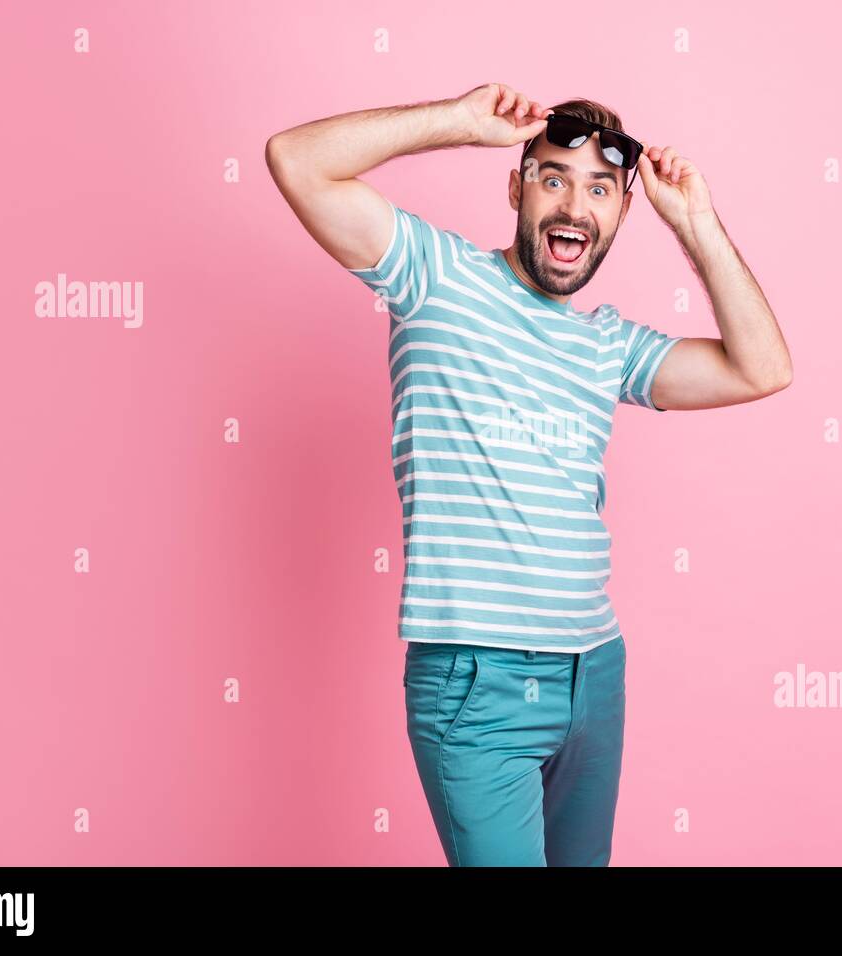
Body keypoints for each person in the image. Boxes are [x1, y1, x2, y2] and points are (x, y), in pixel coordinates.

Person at [265, 83, 792, 866]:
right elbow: (295, 161)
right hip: (475, 683)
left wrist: (698, 225)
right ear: (516, 188)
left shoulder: (608, 345)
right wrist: (458, 122)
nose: (574, 206)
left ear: (619, 214)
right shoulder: (433, 278)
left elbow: (763, 368)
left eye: (600, 189)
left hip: (595, 674)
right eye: (553, 178)